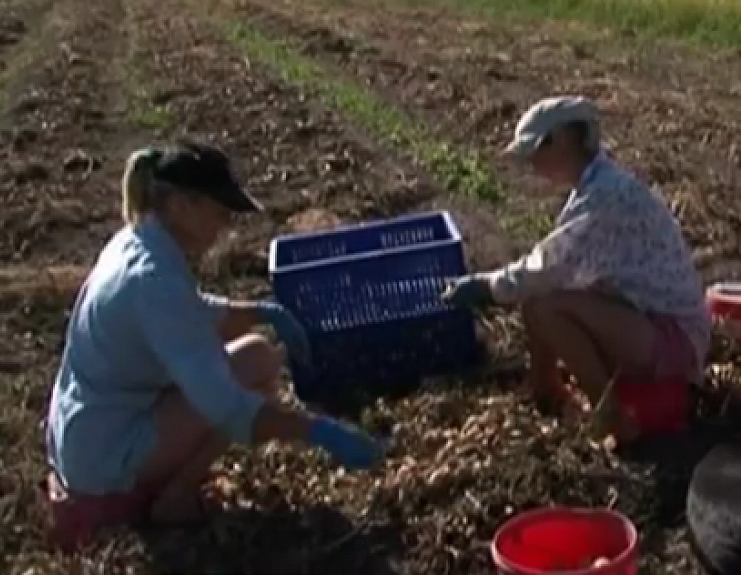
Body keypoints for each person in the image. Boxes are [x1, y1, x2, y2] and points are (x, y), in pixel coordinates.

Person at [44, 140, 385, 551]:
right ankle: (176, 500)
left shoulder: (137, 242)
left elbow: (190, 316)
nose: (226, 225)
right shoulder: (154, 279)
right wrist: (321, 432)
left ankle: (172, 489)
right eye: (220, 212)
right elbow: (225, 406)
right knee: (249, 377)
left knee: (256, 356)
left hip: (90, 426)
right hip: (104, 454)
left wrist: (264, 312)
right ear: (182, 205)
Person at [442, 95, 710, 444]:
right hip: (643, 324)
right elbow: (558, 269)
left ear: (566, 139)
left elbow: (547, 267)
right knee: (540, 301)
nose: (532, 163)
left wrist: (487, 286)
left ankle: (612, 418)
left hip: (676, 341)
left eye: (537, 150)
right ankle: (545, 391)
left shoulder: (608, 196)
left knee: (546, 305)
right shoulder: (594, 188)